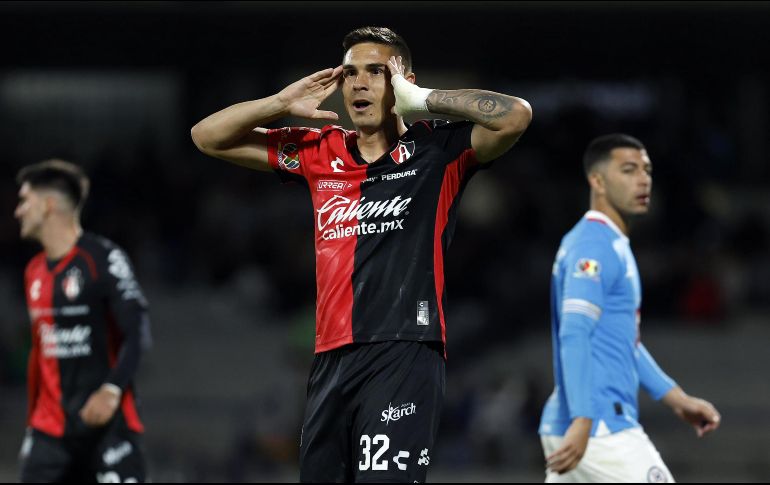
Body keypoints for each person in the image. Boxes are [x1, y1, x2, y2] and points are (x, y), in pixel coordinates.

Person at [192, 26, 532, 482]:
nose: (359, 83)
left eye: (376, 71)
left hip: (404, 352)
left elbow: (515, 116)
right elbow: (206, 137)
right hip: (330, 359)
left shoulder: (439, 150)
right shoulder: (318, 150)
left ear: (403, 79)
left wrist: (422, 97)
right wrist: (278, 103)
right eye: (350, 73)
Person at [538, 134, 721, 482]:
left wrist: (677, 400)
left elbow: (624, 343)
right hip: (599, 426)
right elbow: (574, 332)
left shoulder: (607, 243)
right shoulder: (594, 246)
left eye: (647, 170)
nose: (643, 179)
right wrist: (584, 417)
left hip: (577, 423)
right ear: (598, 180)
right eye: (628, 170)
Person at [14, 159, 151, 483]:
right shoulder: (33, 271)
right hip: (49, 434)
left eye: (24, 200)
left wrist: (111, 389)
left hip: (106, 428)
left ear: (48, 205)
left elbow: (137, 329)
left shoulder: (103, 258)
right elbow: (42, 353)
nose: (18, 211)